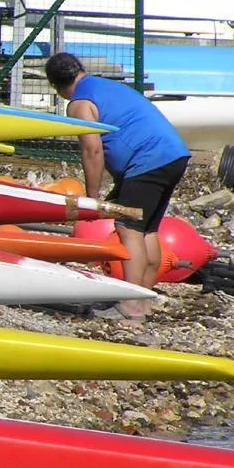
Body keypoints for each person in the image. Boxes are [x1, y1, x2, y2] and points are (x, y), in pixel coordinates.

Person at [45, 52, 191, 322]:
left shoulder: (80, 103)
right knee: (146, 229)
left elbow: (92, 151)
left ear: (55, 86)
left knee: (127, 227)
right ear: (80, 70)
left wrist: (92, 199)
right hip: (174, 155)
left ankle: (131, 306)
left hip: (147, 160)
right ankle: (143, 300)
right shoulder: (106, 86)